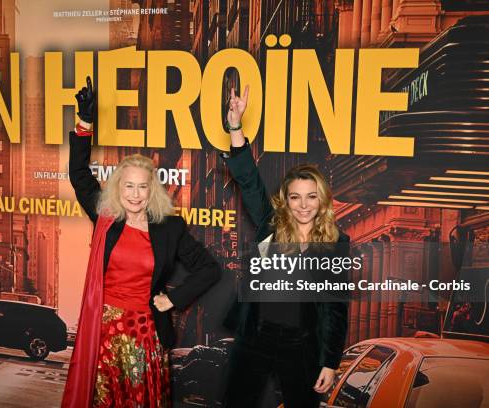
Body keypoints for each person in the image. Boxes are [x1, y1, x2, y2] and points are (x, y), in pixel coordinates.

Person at [62, 77, 222, 408]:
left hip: (145, 335)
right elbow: (79, 173)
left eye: (142, 188)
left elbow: (209, 270)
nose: (135, 195)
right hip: (104, 333)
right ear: (117, 189)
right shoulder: (106, 217)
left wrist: (173, 298)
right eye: (128, 187)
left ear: (153, 190)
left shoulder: (170, 228)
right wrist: (84, 122)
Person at [222, 86, 349, 408]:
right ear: (286, 200)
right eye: (295, 197)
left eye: (311, 196)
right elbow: (249, 181)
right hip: (255, 337)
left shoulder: (337, 243)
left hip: (302, 345)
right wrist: (235, 128)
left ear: (322, 200)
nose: (303, 205)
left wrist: (330, 362)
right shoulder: (270, 225)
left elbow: (335, 308)